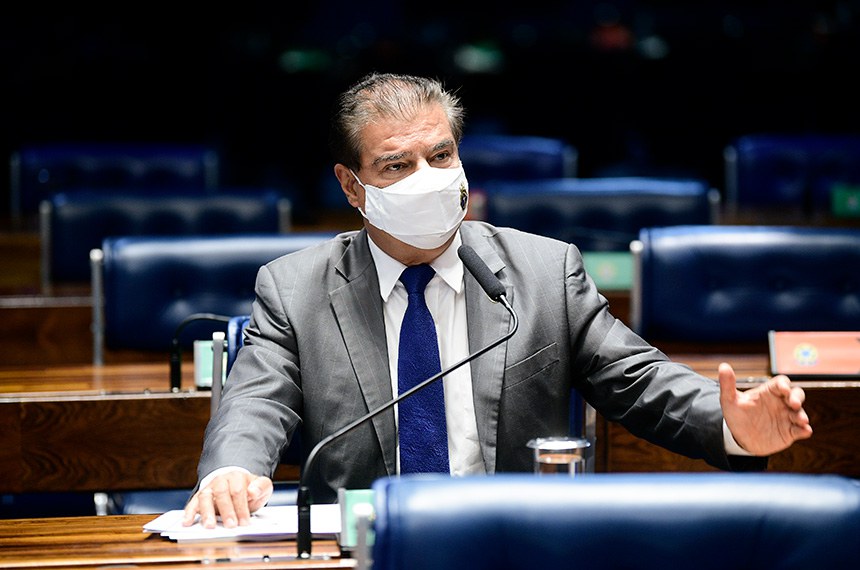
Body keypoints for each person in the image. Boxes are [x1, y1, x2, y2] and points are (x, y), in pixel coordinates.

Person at [183, 72, 812, 529]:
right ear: (352, 186)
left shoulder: (543, 271)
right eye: (397, 165)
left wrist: (733, 424)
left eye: (442, 154)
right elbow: (255, 402)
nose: (428, 178)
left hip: (512, 541)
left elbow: (642, 381)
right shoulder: (295, 289)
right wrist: (230, 471)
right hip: (366, 546)